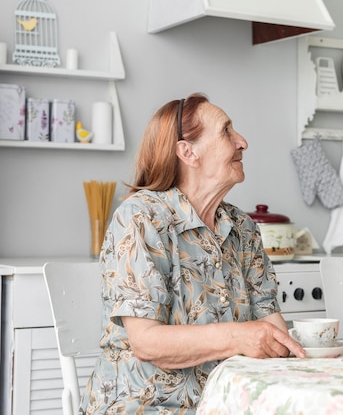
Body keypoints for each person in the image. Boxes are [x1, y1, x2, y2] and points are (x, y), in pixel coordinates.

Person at [80, 93, 305, 414]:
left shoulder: (243, 227)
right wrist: (238, 337)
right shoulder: (141, 218)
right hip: (147, 404)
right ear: (188, 152)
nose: (242, 142)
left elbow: (273, 328)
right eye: (227, 131)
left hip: (227, 403)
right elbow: (147, 343)